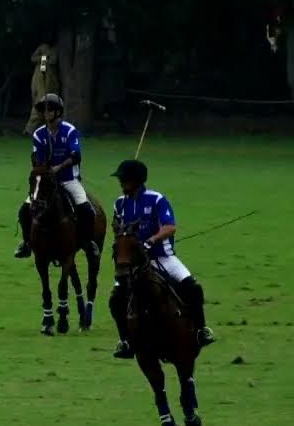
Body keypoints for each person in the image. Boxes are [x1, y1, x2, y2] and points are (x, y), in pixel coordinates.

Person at [109, 159, 215, 359]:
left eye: (124, 179)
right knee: (116, 299)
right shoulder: (120, 203)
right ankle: (125, 341)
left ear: (136, 181)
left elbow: (170, 226)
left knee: (193, 288)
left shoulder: (156, 199)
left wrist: (152, 239)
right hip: (134, 263)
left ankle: (201, 330)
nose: (120, 183)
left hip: (162, 257)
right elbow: (116, 228)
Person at [14, 93, 99, 258]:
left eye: (50, 110)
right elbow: (37, 160)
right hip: (46, 182)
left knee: (86, 209)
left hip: (69, 179)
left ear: (58, 112)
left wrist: (58, 167)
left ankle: (89, 243)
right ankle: (26, 243)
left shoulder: (69, 131)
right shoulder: (39, 134)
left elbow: (76, 156)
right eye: (44, 110)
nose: (46, 113)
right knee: (24, 210)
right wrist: (45, 169)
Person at [24, 42, 59, 135]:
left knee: (44, 102)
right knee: (39, 101)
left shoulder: (54, 50)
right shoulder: (42, 48)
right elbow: (33, 58)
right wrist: (43, 58)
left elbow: (53, 61)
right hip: (39, 77)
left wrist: (46, 59)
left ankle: (32, 128)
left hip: (49, 79)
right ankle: (32, 129)